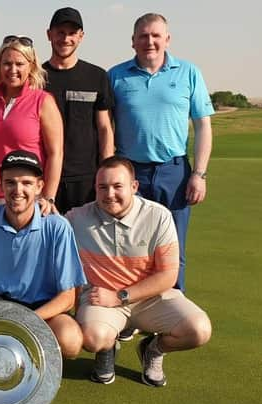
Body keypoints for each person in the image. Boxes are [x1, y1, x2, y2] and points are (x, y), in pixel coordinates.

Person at [66, 156, 212, 386]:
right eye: (102, 187)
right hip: (101, 299)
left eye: (117, 186)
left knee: (199, 330)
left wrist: (120, 296)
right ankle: (107, 347)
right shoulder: (77, 218)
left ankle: (152, 350)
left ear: (134, 187)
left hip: (150, 297)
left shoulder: (158, 215)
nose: (109, 194)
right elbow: (48, 227)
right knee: (94, 338)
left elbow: (168, 276)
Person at [108, 13, 214, 292]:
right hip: (130, 172)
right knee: (130, 247)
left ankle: (172, 313)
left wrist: (199, 174)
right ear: (133, 42)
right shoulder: (116, 76)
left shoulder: (189, 72)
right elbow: (105, 126)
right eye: (143, 36)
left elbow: (203, 126)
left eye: (156, 35)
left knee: (173, 248)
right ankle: (130, 308)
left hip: (174, 171)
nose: (150, 41)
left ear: (167, 39)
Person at [0, 150, 84, 359]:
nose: (18, 190)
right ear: (0, 185)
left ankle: (26, 358)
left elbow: (68, 298)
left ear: (39, 186)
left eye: (26, 183)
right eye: (10, 182)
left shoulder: (57, 226)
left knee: (70, 341)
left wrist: (25, 320)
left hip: (41, 305)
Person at [0, 35, 63, 209]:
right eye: (7, 63)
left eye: (19, 64)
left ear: (31, 66)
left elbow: (56, 153)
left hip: (24, 194)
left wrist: (49, 197)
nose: (12, 69)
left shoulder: (43, 101)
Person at [43, 7, 114, 213]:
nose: (66, 38)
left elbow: (104, 129)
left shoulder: (97, 76)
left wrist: (106, 172)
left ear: (81, 36)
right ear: (49, 35)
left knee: (86, 243)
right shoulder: (36, 77)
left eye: (72, 33)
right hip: (45, 178)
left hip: (86, 179)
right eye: (60, 32)